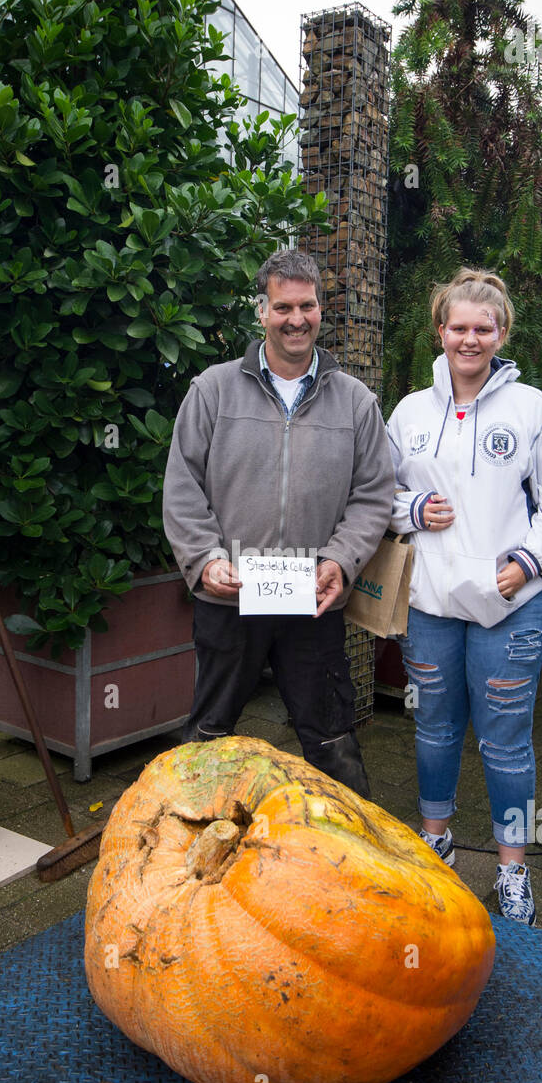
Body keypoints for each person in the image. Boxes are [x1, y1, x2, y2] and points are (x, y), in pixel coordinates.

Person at [386, 268, 542, 925]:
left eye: (483, 328)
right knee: (435, 730)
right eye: (458, 327)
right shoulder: (410, 412)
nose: (470, 339)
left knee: (504, 742)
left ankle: (512, 870)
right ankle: (436, 843)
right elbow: (377, 496)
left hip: (511, 607)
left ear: (501, 334)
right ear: (440, 331)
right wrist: (412, 507)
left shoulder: (532, 410)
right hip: (433, 605)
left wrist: (527, 565)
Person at [162, 248, 394, 795]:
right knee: (208, 734)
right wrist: (204, 559)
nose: (297, 319)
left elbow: (373, 493)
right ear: (262, 311)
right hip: (231, 596)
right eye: (284, 307)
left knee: (331, 738)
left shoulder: (356, 402)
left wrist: (341, 558)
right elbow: (181, 487)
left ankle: (347, 854)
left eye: (307, 306)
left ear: (320, 310)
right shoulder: (212, 391)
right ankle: (184, 843)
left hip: (311, 596)